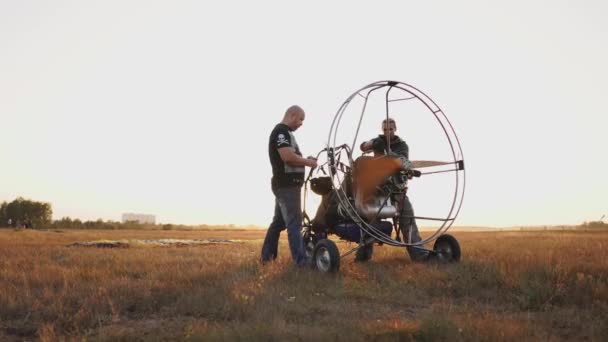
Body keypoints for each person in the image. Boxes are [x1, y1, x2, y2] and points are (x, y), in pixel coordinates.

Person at [360, 117, 446, 261]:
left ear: (395, 129)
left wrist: (388, 152)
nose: (388, 132)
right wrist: (373, 143)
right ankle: (363, 257)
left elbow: (401, 161)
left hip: (396, 190)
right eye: (385, 129)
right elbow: (362, 147)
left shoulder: (402, 145)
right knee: (368, 221)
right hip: (377, 189)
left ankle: (420, 256)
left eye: (391, 129)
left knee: (408, 219)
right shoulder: (378, 141)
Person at [261, 105, 318, 266]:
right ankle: (301, 262)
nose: (301, 124)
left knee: (279, 222)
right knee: (294, 222)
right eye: (301, 119)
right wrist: (308, 163)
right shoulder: (281, 132)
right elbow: (287, 157)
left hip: (286, 186)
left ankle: (267, 257)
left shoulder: (286, 133)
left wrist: (306, 159)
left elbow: (292, 157)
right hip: (287, 187)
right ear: (292, 115)